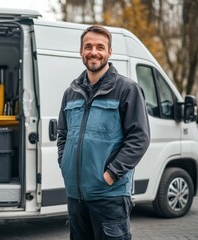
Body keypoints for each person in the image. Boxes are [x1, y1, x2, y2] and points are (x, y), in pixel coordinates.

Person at [57, 25, 150, 240]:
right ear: (81, 51)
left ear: (109, 52)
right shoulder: (70, 93)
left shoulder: (127, 89)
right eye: (88, 46)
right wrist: (65, 164)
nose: (94, 52)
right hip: (76, 197)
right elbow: (63, 133)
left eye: (100, 47)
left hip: (110, 196)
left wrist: (111, 174)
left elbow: (139, 138)